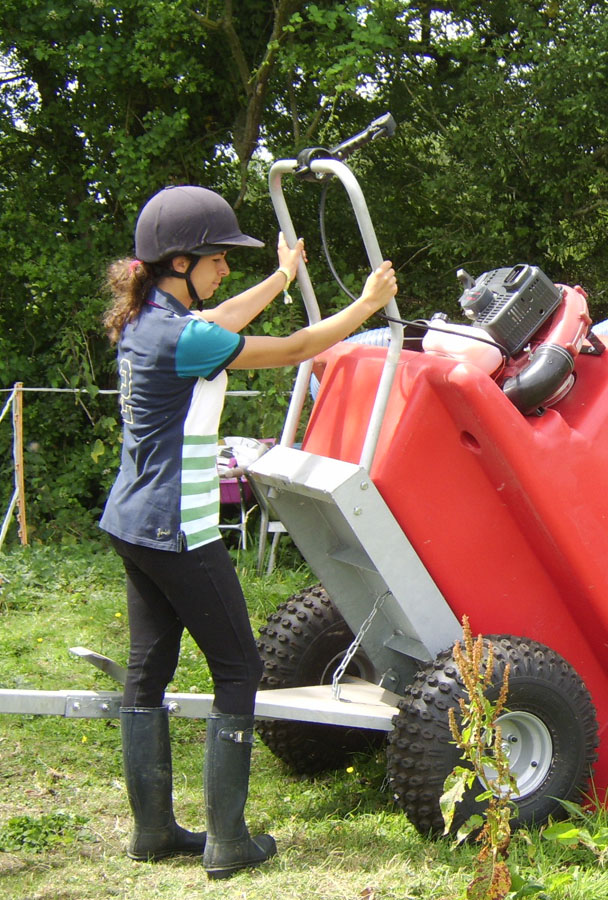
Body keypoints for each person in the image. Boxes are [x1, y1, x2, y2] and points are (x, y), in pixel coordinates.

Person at [99, 185, 395, 879]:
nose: (223, 270)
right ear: (178, 261)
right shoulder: (185, 335)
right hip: (180, 527)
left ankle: (151, 832)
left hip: (131, 521)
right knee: (239, 669)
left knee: (147, 674)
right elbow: (294, 348)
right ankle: (228, 842)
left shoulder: (148, 319)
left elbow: (223, 319)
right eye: (216, 258)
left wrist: (283, 276)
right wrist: (366, 307)